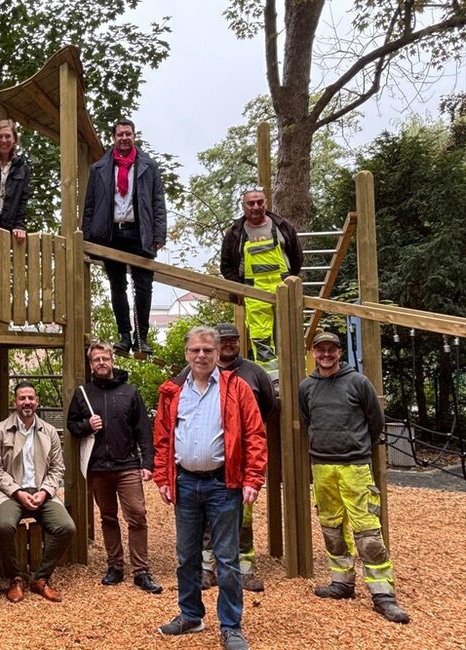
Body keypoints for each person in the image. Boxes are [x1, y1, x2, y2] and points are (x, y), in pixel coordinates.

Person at [153, 326, 267, 650]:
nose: (201, 355)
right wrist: (163, 477)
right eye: (195, 350)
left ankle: (231, 625)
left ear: (218, 354)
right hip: (185, 482)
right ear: (186, 354)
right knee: (186, 556)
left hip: (223, 483)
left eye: (207, 350)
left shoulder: (237, 388)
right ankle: (191, 615)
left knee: (227, 559)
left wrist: (252, 478)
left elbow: (255, 435)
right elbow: (163, 437)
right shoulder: (173, 391)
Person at [298, 331, 410, 624]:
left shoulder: (358, 382)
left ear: (339, 352)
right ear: (314, 353)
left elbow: (376, 421)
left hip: (355, 467)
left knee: (368, 532)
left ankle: (383, 594)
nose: (326, 355)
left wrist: (358, 445)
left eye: (331, 350)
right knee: (331, 528)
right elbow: (307, 420)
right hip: (322, 466)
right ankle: (342, 582)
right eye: (321, 350)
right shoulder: (307, 387)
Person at [66, 341, 162, 594]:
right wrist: (87, 425)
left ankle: (141, 570)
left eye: (105, 358)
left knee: (137, 515)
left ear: (112, 360)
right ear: (91, 364)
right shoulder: (83, 393)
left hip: (127, 465)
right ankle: (115, 566)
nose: (101, 363)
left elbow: (143, 430)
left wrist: (148, 462)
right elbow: (72, 426)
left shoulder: (129, 392)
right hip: (98, 466)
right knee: (108, 517)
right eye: (96, 359)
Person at [0, 382, 75, 603]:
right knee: (4, 526)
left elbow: (57, 468)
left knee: (67, 527)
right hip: (9, 493)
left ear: (37, 401)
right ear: (15, 402)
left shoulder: (49, 431)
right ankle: (15, 578)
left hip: (42, 492)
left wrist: (45, 491)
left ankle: (40, 578)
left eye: (31, 398)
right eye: (22, 398)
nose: (27, 402)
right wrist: (17, 492)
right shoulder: (0, 430)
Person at [82, 118, 167, 356]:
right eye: (120, 134)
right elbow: (90, 205)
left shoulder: (148, 166)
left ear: (134, 136)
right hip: (112, 233)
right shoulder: (99, 168)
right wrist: (87, 237)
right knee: (117, 285)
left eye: (128, 134)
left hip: (140, 232)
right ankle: (124, 336)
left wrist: (159, 233)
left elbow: (158, 202)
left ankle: (141, 338)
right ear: (113, 138)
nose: (124, 138)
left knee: (143, 285)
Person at [201, 322, 276, 593]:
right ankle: (207, 568)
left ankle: (244, 569)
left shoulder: (254, 372)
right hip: (210, 455)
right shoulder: (200, 370)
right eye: (224, 340)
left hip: (241, 458)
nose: (229, 344)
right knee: (207, 515)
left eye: (233, 339)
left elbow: (268, 405)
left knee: (242, 516)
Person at [219, 188, 303, 374]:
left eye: (259, 202)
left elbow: (297, 256)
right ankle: (271, 379)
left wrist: (290, 279)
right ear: (243, 206)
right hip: (253, 291)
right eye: (251, 203)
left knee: (290, 333)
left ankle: (296, 376)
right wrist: (240, 288)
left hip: (283, 287)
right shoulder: (235, 232)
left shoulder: (282, 226)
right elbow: (226, 266)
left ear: (266, 203)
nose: (255, 207)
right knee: (260, 337)